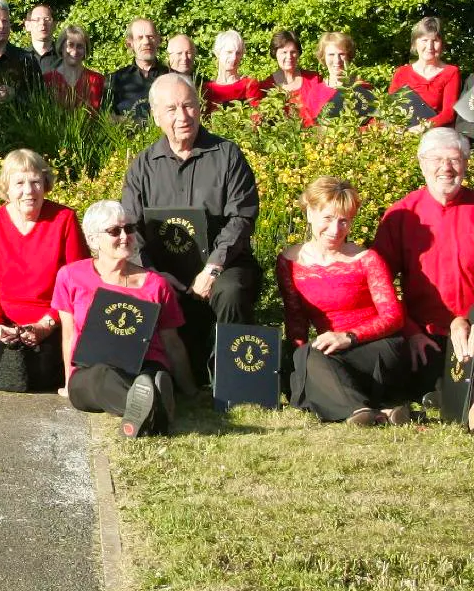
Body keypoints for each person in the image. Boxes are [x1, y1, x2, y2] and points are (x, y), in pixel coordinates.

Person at [120, 74, 261, 383]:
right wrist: (155, 277)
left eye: (189, 106)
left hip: (224, 265)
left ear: (200, 108)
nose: (182, 116)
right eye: (172, 109)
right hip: (166, 271)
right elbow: (131, 230)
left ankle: (237, 381)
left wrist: (213, 267)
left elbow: (242, 218)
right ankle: (164, 376)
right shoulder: (143, 167)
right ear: (156, 116)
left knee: (232, 292)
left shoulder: (227, 155)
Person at [53, 201, 195, 438]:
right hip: (92, 369)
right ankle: (152, 405)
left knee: (150, 376)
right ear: (93, 238)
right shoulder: (70, 276)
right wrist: (68, 382)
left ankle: (148, 402)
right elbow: (69, 334)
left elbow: (171, 342)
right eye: (114, 231)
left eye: (129, 229)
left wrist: (189, 389)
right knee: (101, 377)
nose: (124, 236)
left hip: (144, 364)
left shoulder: (156, 284)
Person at [277, 177, 409, 425]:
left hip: (377, 347)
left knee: (312, 363)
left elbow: (393, 316)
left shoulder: (367, 259)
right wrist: (299, 359)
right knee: (306, 358)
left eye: (344, 221)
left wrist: (349, 336)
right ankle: (380, 412)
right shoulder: (288, 261)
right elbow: (295, 319)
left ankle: (357, 410)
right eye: (327, 218)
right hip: (329, 351)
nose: (335, 229)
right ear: (310, 214)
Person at [0, 149, 89, 392]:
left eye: (35, 182)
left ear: (45, 184)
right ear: (7, 188)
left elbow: (78, 283)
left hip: (50, 321)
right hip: (5, 321)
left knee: (35, 378)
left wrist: (47, 323)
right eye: (19, 183)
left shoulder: (64, 220)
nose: (29, 191)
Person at [373, 128, 474, 407]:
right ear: (421, 163)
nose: (446, 168)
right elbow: (378, 284)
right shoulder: (402, 215)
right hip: (424, 333)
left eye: (454, 159)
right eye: (436, 159)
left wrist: (467, 321)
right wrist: (410, 331)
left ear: (466, 163)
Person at [388, 17, 461, 129]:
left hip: (437, 135)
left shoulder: (451, 72)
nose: (430, 46)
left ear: (442, 44)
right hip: (403, 135)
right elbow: (390, 109)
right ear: (415, 43)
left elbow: (449, 114)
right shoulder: (401, 73)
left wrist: (421, 128)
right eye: (424, 40)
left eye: (435, 40)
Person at [104, 18, 168, 123]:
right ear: (130, 44)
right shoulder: (114, 80)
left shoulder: (172, 77)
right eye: (140, 38)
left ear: (158, 40)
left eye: (150, 36)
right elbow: (105, 118)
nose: (146, 42)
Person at [302, 32, 373, 123]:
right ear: (323, 57)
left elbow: (376, 124)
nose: (337, 60)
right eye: (331, 55)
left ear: (349, 56)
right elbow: (309, 127)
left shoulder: (363, 88)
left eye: (341, 54)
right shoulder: (316, 93)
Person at [258, 29, 322, 125]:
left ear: (298, 53)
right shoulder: (266, 86)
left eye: (293, 52)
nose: (289, 56)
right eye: (284, 52)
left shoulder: (313, 80)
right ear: (275, 53)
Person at [43, 24, 105, 111]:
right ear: (61, 47)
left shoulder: (97, 80)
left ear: (85, 50)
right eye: (70, 45)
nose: (75, 51)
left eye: (80, 46)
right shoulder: (47, 80)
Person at [201, 30, 261, 114]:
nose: (234, 57)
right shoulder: (207, 89)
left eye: (238, 53)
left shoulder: (249, 85)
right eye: (229, 52)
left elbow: (256, 118)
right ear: (218, 53)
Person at [24, 3, 62, 74]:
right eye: (37, 20)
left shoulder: (66, 58)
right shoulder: (20, 58)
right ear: (28, 25)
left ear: (54, 25)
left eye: (47, 19)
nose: (42, 23)